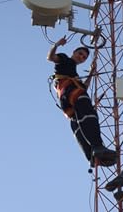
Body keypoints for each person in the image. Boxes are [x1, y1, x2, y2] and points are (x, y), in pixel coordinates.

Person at [47, 36, 117, 167]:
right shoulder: (64, 59)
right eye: (80, 54)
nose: (81, 57)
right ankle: (97, 146)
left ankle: (91, 155)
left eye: (84, 57)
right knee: (88, 111)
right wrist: (57, 44)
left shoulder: (74, 74)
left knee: (77, 122)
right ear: (74, 52)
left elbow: (84, 87)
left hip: (67, 98)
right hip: (70, 93)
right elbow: (51, 57)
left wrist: (91, 73)